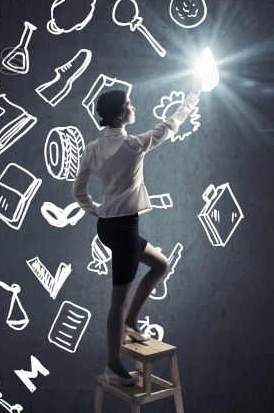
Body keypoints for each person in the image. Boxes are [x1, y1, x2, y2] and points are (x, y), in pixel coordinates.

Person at [72, 78, 202, 386]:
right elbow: (170, 125)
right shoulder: (132, 145)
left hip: (107, 227)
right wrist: (193, 95)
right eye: (129, 105)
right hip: (125, 231)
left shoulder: (91, 148)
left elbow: (78, 193)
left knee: (161, 265)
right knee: (118, 302)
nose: (134, 107)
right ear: (119, 116)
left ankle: (132, 321)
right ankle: (113, 365)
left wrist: (97, 210)